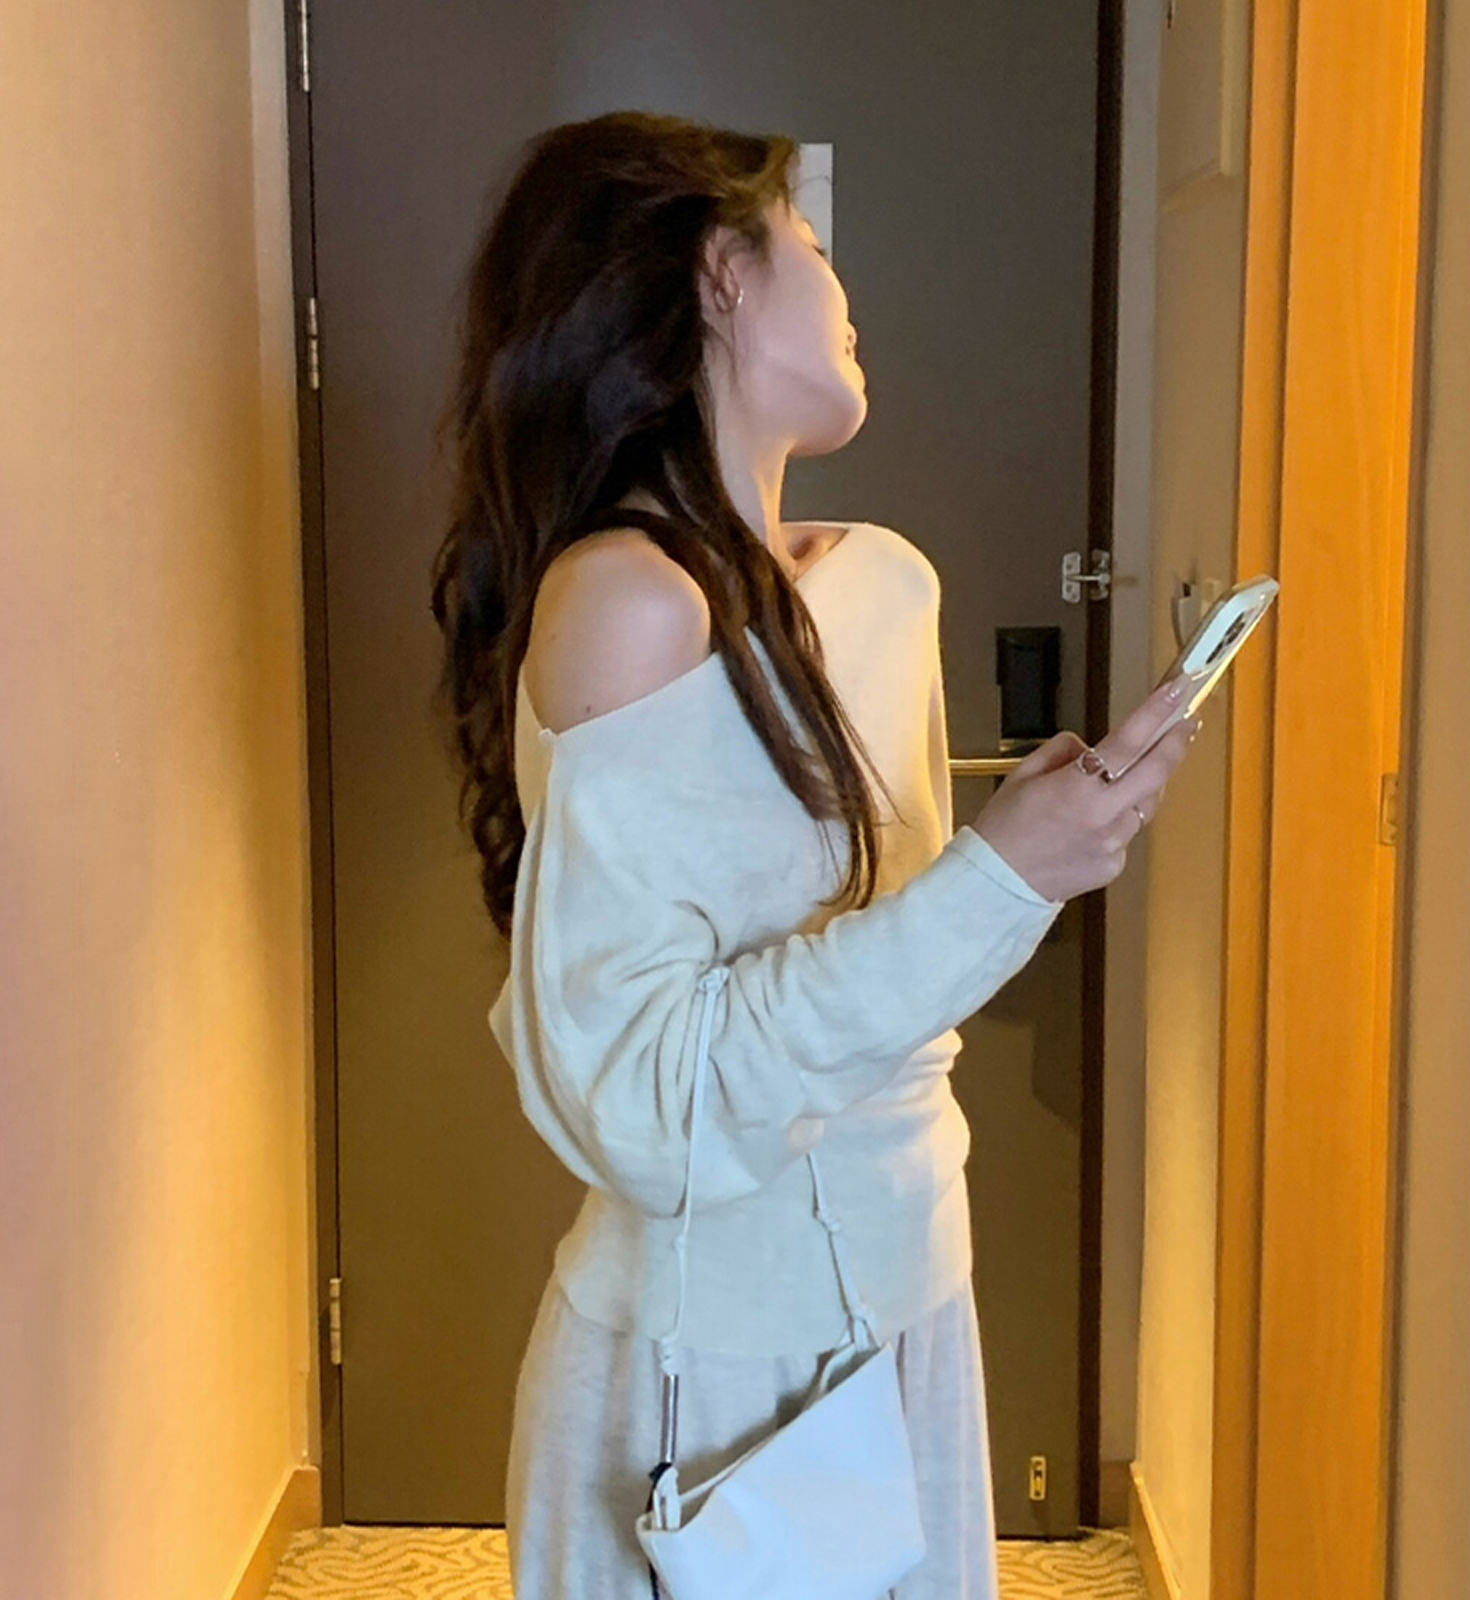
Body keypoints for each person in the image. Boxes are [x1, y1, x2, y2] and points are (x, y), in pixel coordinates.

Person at [428, 109, 1199, 1600]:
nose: (849, 297)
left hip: (913, 1282)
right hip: (717, 1365)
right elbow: (649, 1109)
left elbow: (890, 989)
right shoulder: (629, 605)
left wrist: (1025, 856)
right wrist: (1005, 878)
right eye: (817, 246)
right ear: (718, 274)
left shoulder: (882, 585)